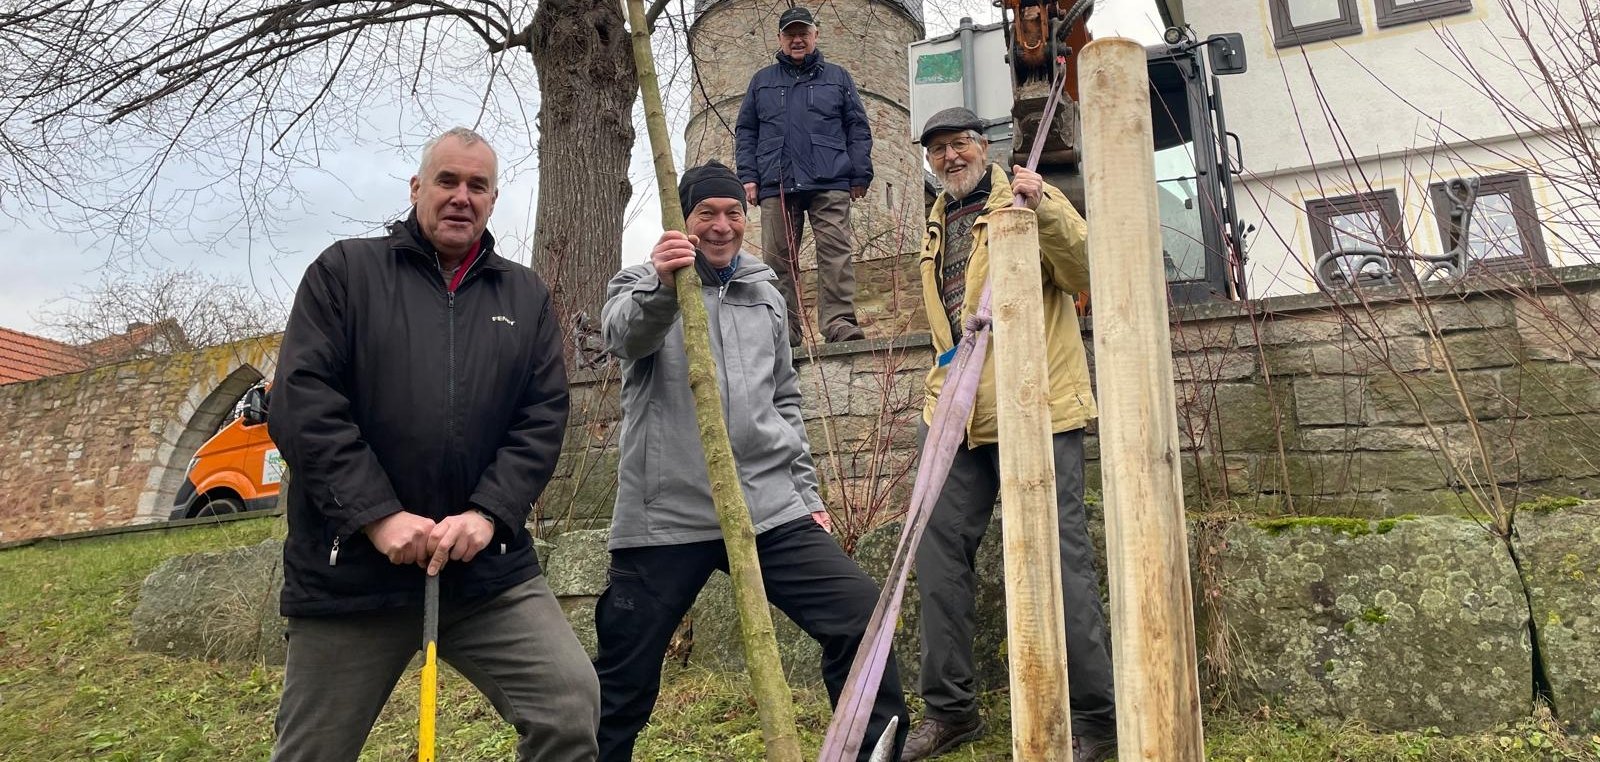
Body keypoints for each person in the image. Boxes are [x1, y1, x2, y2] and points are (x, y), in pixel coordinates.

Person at [267, 127, 599, 762]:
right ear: (417, 187)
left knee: (569, 707)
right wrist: (378, 517)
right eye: (447, 181)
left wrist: (489, 514)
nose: (461, 197)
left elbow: (541, 417)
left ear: (493, 200)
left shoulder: (524, 295)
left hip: (485, 571)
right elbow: (304, 403)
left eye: (478, 186)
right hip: (353, 573)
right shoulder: (345, 272)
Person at [593, 160, 907, 761]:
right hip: (668, 515)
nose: (721, 226)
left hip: (768, 506)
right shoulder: (640, 283)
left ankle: (869, 754)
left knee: (861, 617)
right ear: (681, 220)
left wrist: (806, 497)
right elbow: (624, 337)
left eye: (733, 213)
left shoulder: (766, 293)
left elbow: (785, 399)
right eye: (705, 213)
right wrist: (663, 285)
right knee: (623, 674)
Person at [900, 108, 1118, 762]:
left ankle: (1097, 719)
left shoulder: (1024, 199)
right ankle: (951, 711)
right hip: (956, 415)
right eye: (938, 150)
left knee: (1060, 558)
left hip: (1037, 405)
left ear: (984, 146)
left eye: (959, 144)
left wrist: (1044, 204)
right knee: (936, 556)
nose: (950, 157)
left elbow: (1090, 272)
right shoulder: (936, 224)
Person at [735, 5, 872, 346]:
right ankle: (785, 330)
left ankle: (839, 323)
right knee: (777, 261)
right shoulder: (761, 81)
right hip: (777, 180)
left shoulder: (838, 77)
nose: (797, 40)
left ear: (815, 35)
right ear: (780, 39)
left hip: (830, 178)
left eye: (803, 33)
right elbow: (746, 130)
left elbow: (857, 127)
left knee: (835, 253)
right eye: (790, 34)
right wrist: (748, 176)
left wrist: (860, 173)